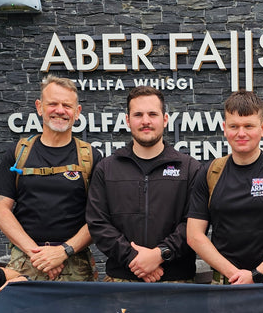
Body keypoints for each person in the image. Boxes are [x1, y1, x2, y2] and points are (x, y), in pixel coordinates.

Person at [187, 90, 263, 283]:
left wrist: (256, 274)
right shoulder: (210, 173)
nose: (241, 133)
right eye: (234, 126)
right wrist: (234, 275)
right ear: (224, 128)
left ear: (262, 128)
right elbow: (194, 236)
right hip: (225, 286)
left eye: (248, 126)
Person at [0, 75, 103, 280]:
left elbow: (100, 217)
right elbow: (0, 211)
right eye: (53, 103)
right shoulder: (18, 153)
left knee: (81, 312)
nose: (60, 110)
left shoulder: (91, 157)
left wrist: (62, 252)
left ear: (77, 112)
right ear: (39, 107)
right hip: (26, 261)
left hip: (75, 264)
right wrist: (38, 255)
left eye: (67, 105)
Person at [86, 86, 203, 282]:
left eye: (152, 114)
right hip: (121, 282)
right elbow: (98, 224)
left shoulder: (190, 169)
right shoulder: (106, 169)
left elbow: (193, 225)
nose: (145, 121)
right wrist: (134, 259)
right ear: (127, 120)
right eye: (138, 114)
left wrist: (160, 254)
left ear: (165, 119)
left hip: (176, 283)